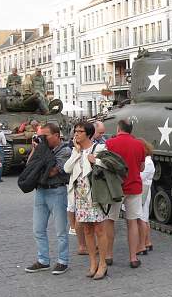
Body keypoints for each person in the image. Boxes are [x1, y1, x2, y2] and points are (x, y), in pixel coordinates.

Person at [25, 123, 71, 275]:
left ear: (57, 135)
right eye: (41, 136)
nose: (42, 140)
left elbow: (52, 172)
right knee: (38, 229)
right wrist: (36, 149)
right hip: (41, 191)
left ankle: (63, 260)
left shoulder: (64, 150)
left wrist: (41, 155)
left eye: (45, 136)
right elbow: (29, 166)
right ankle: (43, 260)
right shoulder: (43, 148)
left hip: (57, 191)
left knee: (60, 230)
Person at [64, 122, 108, 280]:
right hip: (80, 196)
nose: (76, 134)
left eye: (80, 131)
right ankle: (92, 262)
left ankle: (103, 263)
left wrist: (95, 161)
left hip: (95, 195)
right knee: (87, 230)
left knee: (99, 230)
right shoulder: (76, 150)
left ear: (88, 134)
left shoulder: (99, 148)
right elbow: (67, 169)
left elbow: (109, 165)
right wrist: (76, 152)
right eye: (75, 131)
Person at [104, 119, 145, 268]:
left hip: (115, 188)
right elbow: (141, 167)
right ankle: (133, 258)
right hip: (134, 187)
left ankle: (108, 255)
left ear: (118, 128)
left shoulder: (110, 144)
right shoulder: (139, 144)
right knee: (132, 222)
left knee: (110, 220)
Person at [137, 139, 155, 255]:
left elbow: (140, 177)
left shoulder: (147, 162)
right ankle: (147, 242)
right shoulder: (147, 161)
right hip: (144, 189)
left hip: (143, 190)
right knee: (145, 217)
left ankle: (142, 245)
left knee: (142, 219)